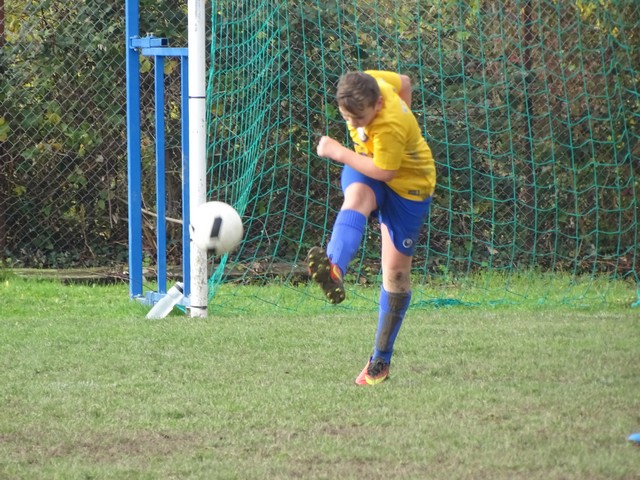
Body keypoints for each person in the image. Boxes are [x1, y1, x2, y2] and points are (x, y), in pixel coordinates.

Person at [307, 70, 436, 386]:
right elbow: (405, 82)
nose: (353, 124)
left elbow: (386, 171)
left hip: (410, 188)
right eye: (346, 117)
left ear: (378, 104)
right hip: (370, 166)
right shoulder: (367, 83)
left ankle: (380, 360)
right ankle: (334, 269)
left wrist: (339, 152)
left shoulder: (390, 125)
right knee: (357, 198)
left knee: (396, 275)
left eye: (360, 118)